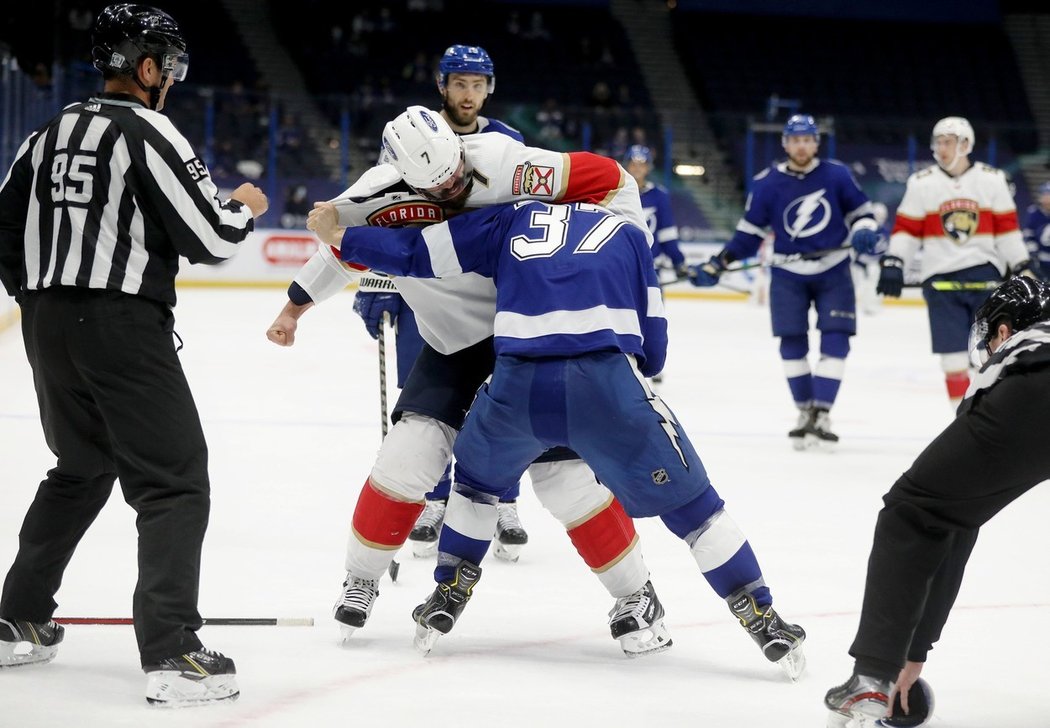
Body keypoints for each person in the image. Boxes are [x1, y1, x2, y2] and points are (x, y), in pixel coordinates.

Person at [310, 198, 808, 679]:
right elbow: (654, 337)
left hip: (513, 384)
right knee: (696, 510)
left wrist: (346, 241)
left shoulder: (507, 215)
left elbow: (419, 250)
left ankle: (450, 586)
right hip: (601, 381)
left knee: (476, 486)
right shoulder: (629, 230)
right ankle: (758, 612)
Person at [270, 106, 673, 657]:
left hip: (526, 334)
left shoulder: (507, 161)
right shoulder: (372, 195)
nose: (456, 188)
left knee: (564, 479)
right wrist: (293, 309)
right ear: (402, 175)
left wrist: (629, 247)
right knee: (407, 457)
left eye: (458, 175)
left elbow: (610, 180)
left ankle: (637, 594)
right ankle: (360, 579)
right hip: (450, 345)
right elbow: (337, 250)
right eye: (440, 187)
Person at [0, 3, 267, 707]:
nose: (172, 80)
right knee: (175, 479)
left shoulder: (45, 133)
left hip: (43, 320)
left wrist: (40, 300)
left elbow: (2, 230)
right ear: (146, 67)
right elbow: (210, 237)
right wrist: (242, 204)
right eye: (169, 67)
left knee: (81, 465)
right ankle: (174, 650)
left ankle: (15, 615)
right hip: (119, 324)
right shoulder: (149, 131)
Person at [824, 275, 1050, 727]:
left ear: (1004, 331)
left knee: (911, 511)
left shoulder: (1025, 356)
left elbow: (940, 515)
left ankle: (871, 678)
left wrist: (899, 655)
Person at [352, 44, 528, 560]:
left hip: (488, 291)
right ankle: (432, 497)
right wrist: (376, 285)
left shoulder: (508, 142)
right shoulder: (412, 134)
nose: (468, 93)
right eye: (459, 83)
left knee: (503, 398)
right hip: (422, 285)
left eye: (477, 84)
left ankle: (504, 498)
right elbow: (381, 210)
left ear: (488, 88)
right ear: (442, 85)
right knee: (424, 397)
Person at [690, 114, 879, 449]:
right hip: (787, 274)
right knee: (791, 345)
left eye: (807, 139)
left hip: (833, 270)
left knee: (837, 340)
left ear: (816, 143)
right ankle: (804, 411)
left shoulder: (837, 175)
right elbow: (749, 234)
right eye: (795, 139)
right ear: (785, 143)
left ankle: (822, 412)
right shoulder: (767, 183)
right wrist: (720, 262)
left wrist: (864, 230)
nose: (801, 145)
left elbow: (862, 213)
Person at [861, 116, 1031, 409]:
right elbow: (907, 231)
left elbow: (1007, 232)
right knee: (952, 360)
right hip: (940, 281)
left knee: (991, 357)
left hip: (985, 278)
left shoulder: (992, 180)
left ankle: (991, 419)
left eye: (947, 142)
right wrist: (894, 261)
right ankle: (962, 425)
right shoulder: (921, 183)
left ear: (965, 144)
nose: (941, 148)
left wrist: (1021, 264)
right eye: (938, 142)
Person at [623, 144, 687, 283]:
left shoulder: (659, 196)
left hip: (650, 267)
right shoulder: (616, 194)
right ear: (627, 166)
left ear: (648, 167)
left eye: (642, 164)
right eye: (633, 164)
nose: (637, 168)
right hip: (621, 266)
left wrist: (678, 261)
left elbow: (667, 233)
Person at [1021, 180, 1050, 280]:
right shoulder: (1033, 212)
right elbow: (1028, 236)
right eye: (1045, 195)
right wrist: (1033, 255)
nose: (1047, 199)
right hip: (1041, 260)